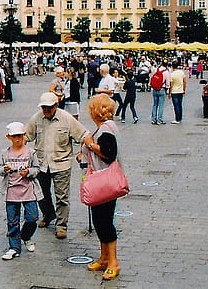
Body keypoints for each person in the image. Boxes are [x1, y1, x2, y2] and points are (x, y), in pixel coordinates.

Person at [24, 91, 88, 240]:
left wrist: (82, 153)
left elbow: (84, 135)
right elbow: (26, 136)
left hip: (62, 164)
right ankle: (48, 214)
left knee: (62, 197)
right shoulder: (36, 118)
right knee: (42, 194)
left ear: (56, 105)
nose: (46, 110)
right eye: (43, 107)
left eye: (49, 107)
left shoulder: (66, 118)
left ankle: (61, 225)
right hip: (41, 163)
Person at [80, 94, 122, 281]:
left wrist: (90, 144)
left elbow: (108, 153)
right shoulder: (106, 127)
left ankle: (113, 262)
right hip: (101, 181)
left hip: (104, 182)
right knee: (99, 221)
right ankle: (104, 257)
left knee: (105, 223)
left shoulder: (106, 130)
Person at [0, 121, 41, 260]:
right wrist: (5, 169)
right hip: (11, 192)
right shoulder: (5, 153)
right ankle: (14, 247)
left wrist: (28, 172)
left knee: (33, 217)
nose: (18, 139)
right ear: (9, 137)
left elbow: (37, 169)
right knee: (12, 220)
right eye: (14, 136)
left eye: (20, 136)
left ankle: (26, 236)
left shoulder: (30, 152)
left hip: (28, 190)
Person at [149, 60, 170, 125]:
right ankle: (159, 120)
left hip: (155, 89)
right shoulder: (166, 72)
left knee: (155, 104)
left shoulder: (156, 70)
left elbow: (152, 78)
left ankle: (153, 119)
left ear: (161, 63)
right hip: (161, 89)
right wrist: (167, 90)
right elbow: (168, 83)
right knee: (161, 105)